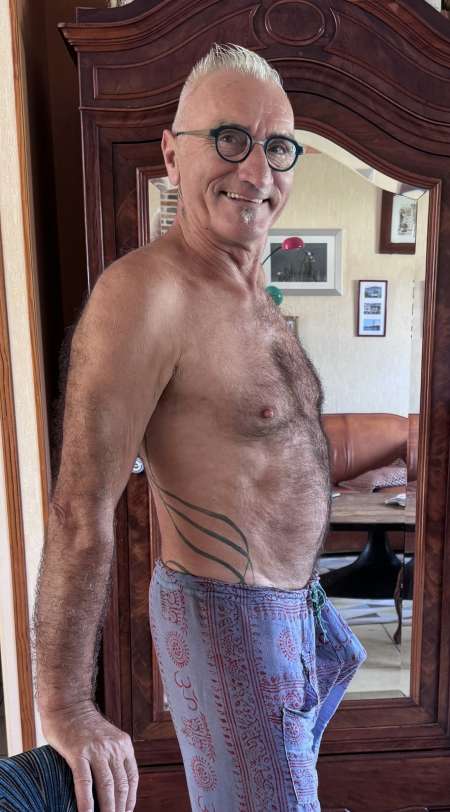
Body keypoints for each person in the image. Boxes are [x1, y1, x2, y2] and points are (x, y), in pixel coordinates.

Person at [34, 44, 366, 812]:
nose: (256, 170)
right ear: (171, 155)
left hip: (295, 615)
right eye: (229, 138)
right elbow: (79, 508)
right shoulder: (144, 296)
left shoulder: (254, 295)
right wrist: (66, 706)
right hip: (231, 626)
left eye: (277, 147)